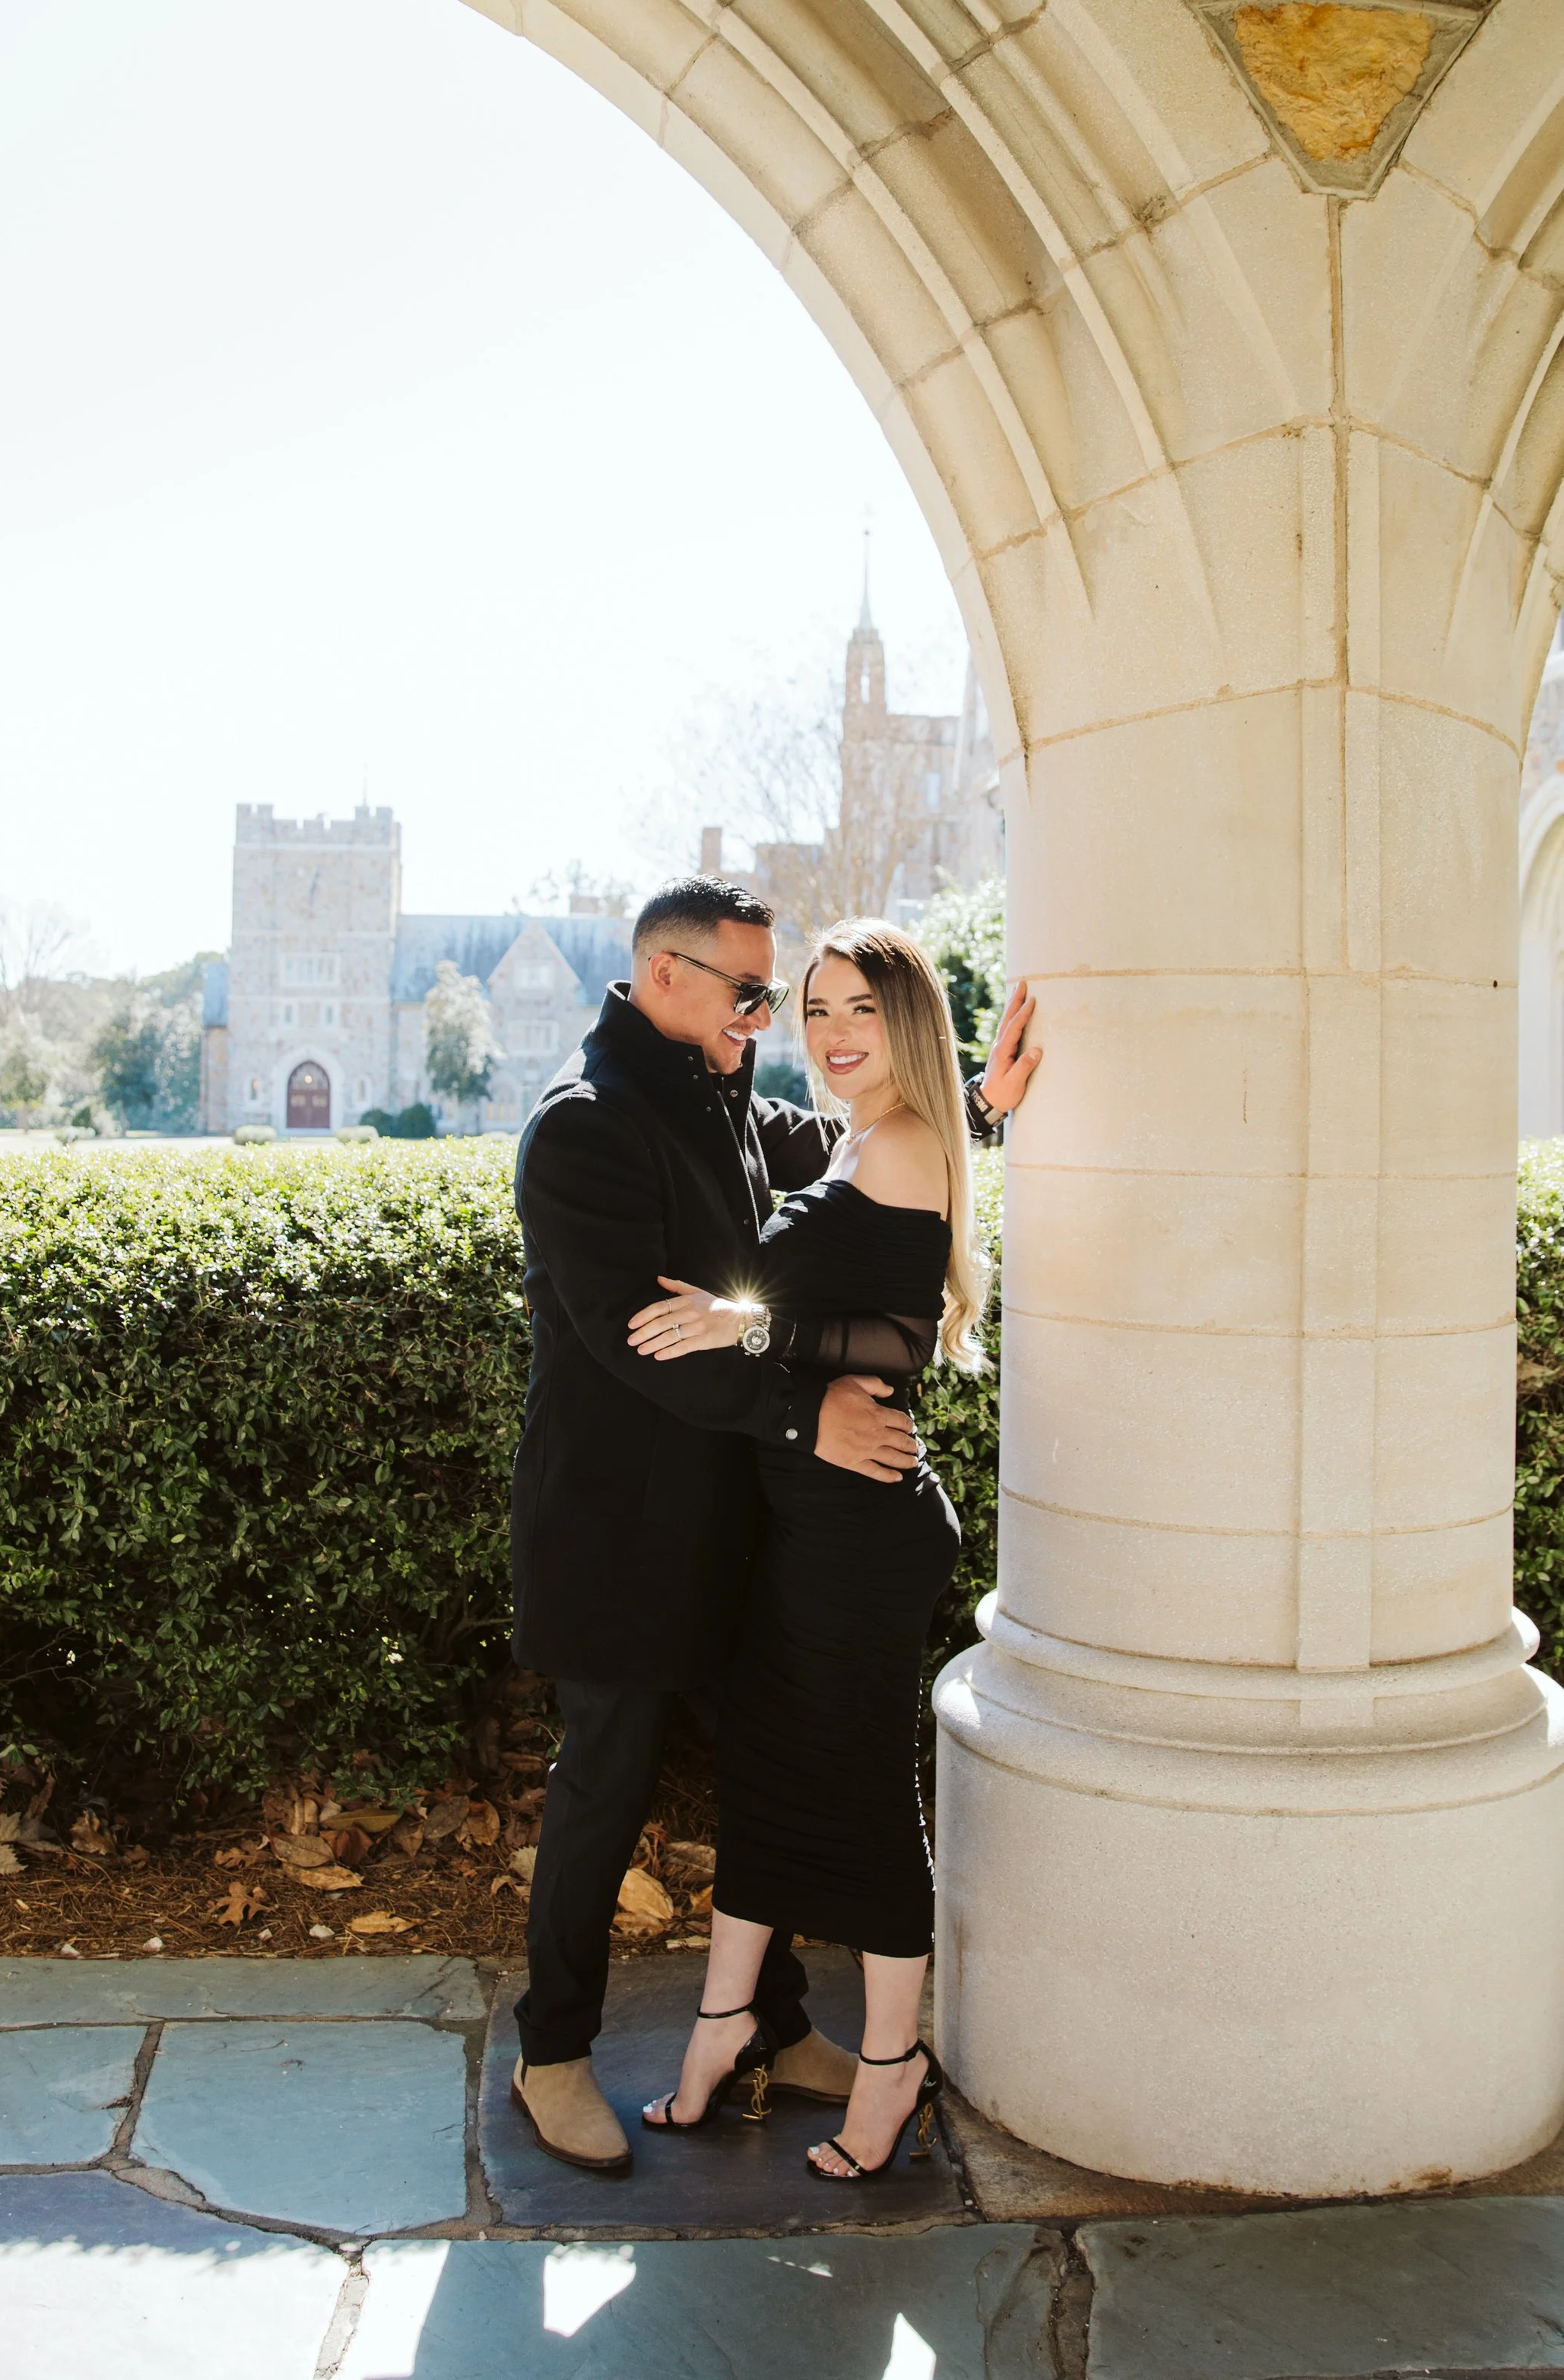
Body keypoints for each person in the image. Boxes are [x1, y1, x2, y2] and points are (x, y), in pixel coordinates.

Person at [509, 876, 1038, 2173]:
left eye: (776, 998)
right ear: (666, 977)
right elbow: (647, 1343)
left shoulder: (723, 1090)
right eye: (753, 994)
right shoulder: (582, 1128)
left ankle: (775, 2024)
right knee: (607, 1783)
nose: (769, 1018)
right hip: (620, 1533)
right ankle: (552, 2054)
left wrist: (976, 1105)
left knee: (773, 1769)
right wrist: (809, 1419)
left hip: (740, 1527)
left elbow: (861, 1165)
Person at [628, 919, 990, 2179]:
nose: (831, 1035)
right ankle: (726, 2021)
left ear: (908, 1026)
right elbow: (856, 1311)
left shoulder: (894, 1146)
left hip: (862, 1529)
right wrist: (759, 1329)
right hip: (813, 1519)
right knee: (771, 1771)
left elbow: (890, 1342)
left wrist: (737, 1320)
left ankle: (893, 2063)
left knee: (860, 1794)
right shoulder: (872, 1134)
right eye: (816, 1010)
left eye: (859, 1013)